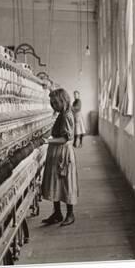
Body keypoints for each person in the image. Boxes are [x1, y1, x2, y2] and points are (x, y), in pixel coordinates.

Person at [40, 88, 80, 226]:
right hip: (57, 153)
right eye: (52, 103)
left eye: (56, 103)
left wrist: (47, 141)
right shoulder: (61, 114)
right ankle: (57, 213)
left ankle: (70, 214)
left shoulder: (67, 115)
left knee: (66, 183)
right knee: (55, 182)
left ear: (63, 101)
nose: (53, 106)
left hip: (63, 153)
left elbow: (64, 138)